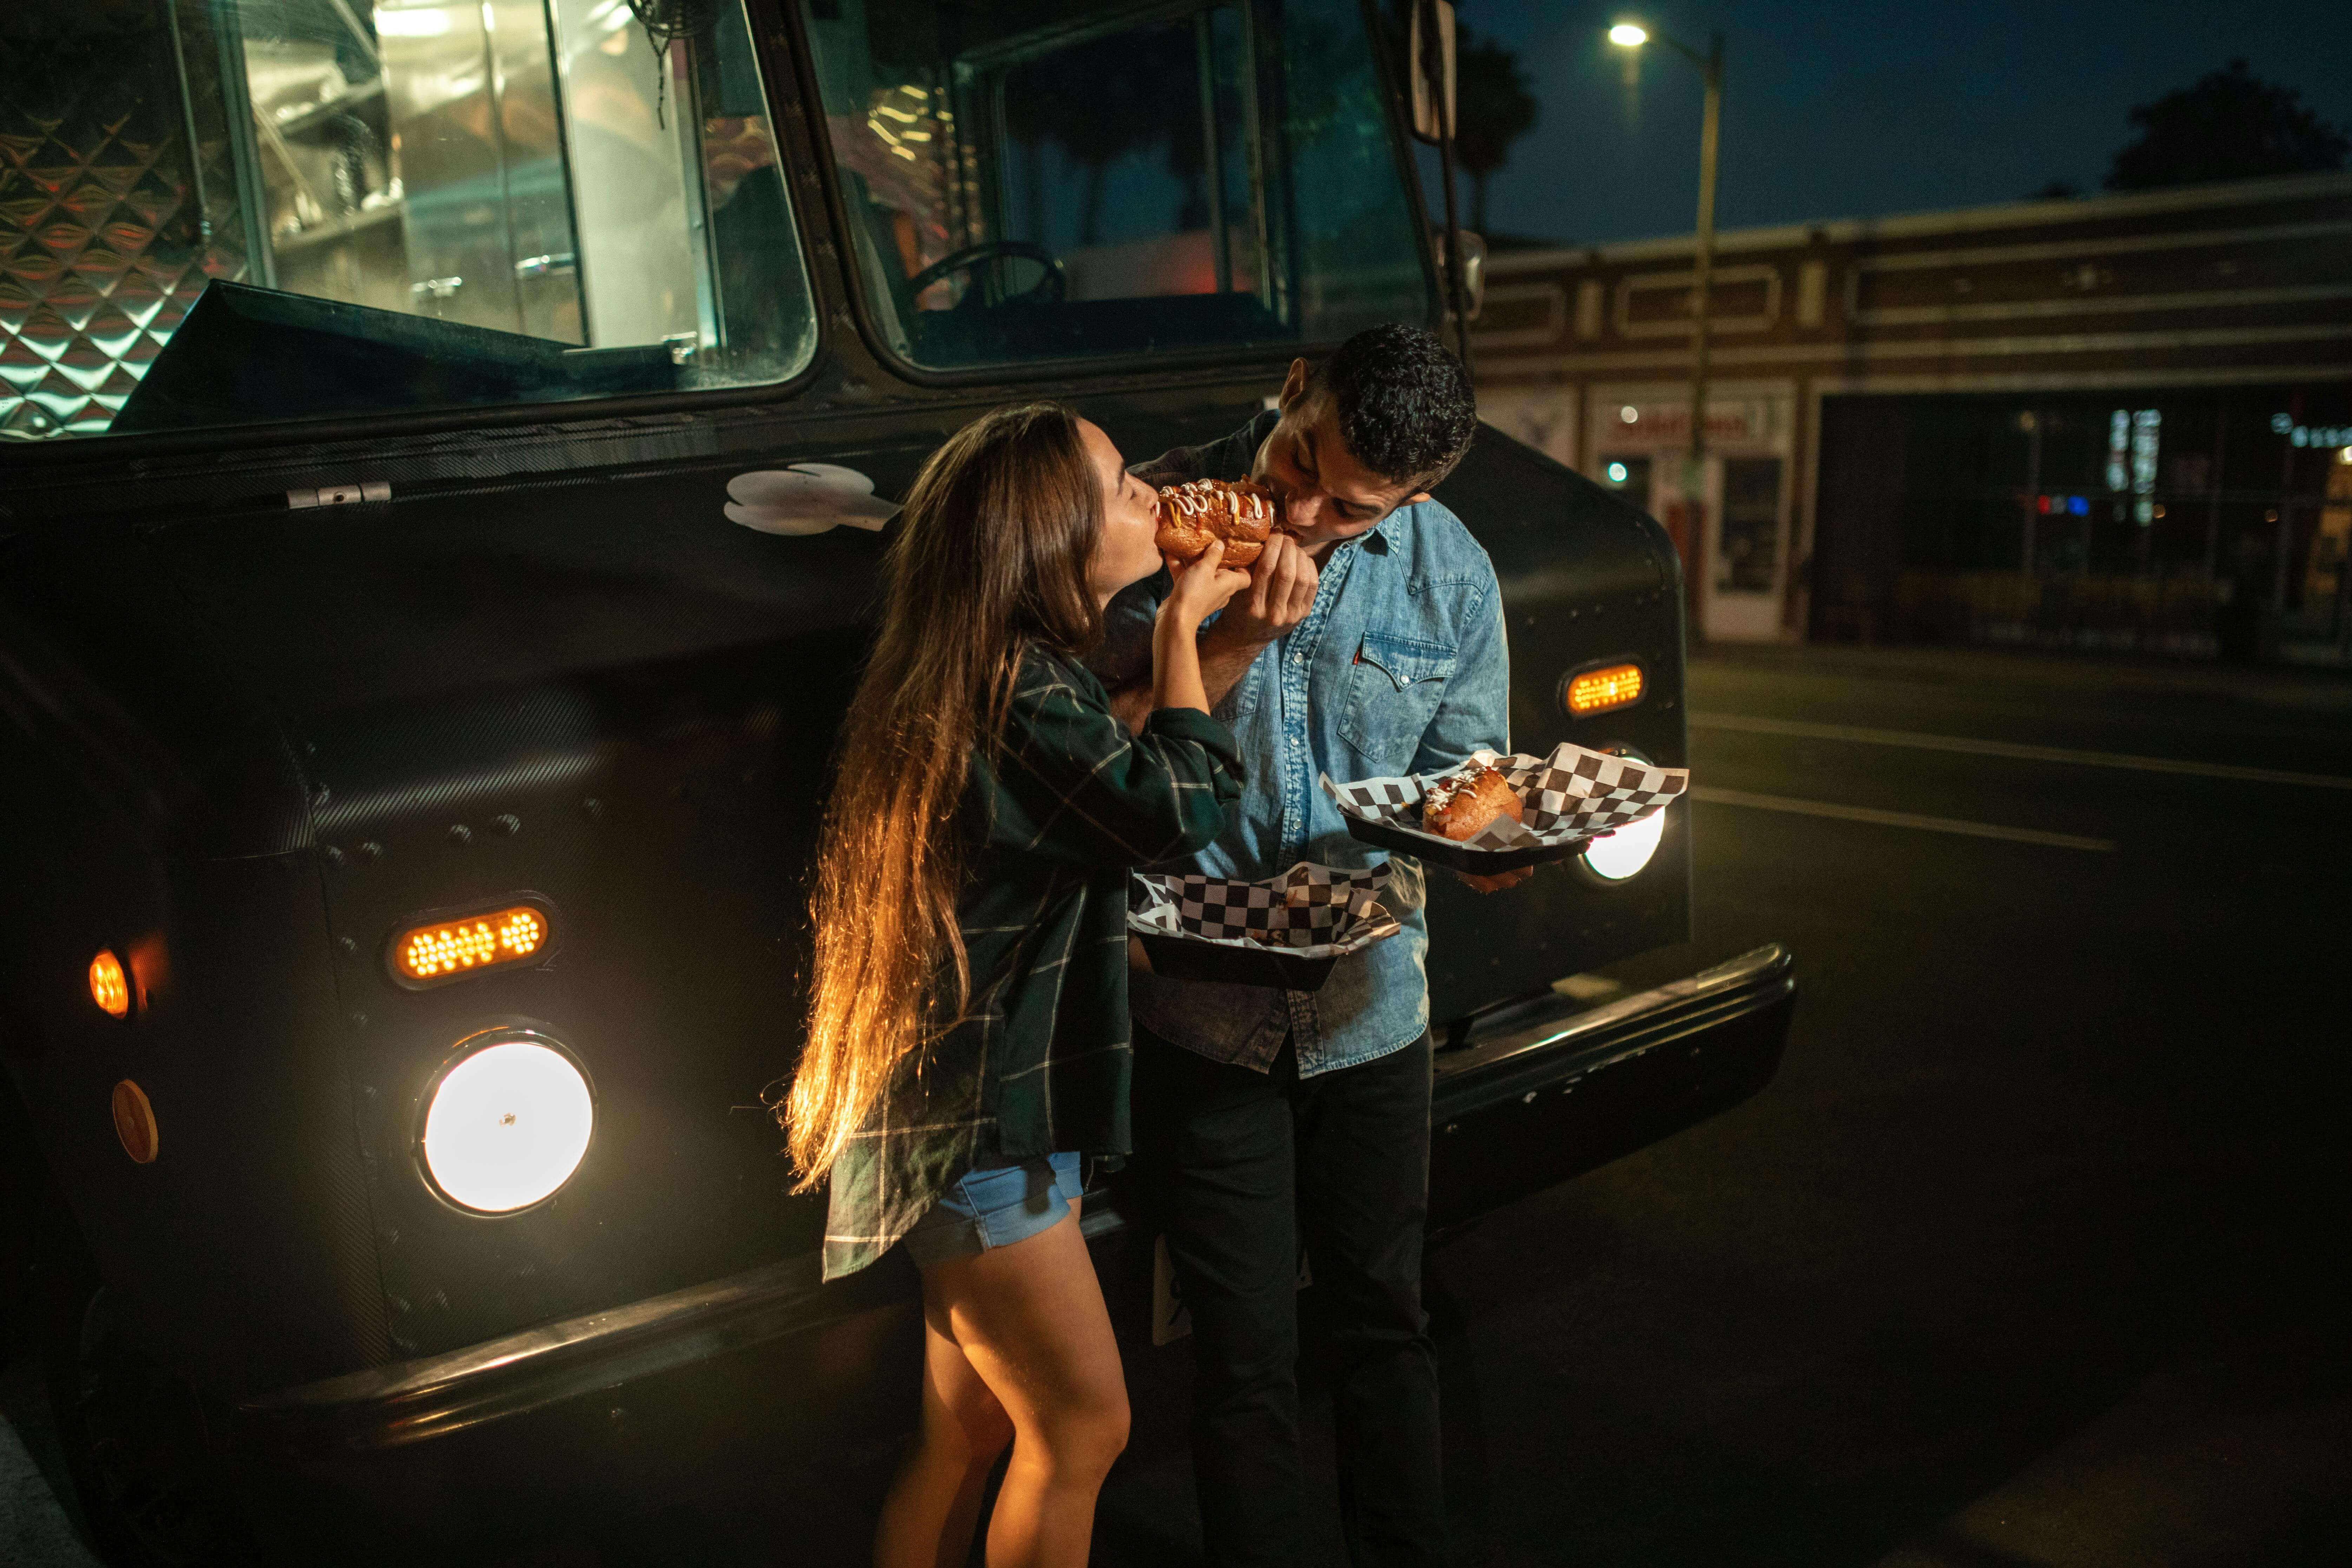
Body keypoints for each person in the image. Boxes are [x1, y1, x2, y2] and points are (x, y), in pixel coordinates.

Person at [781, 402, 1250, 1568]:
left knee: (973, 1426)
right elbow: (1170, 808)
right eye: (1121, 486)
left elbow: (1115, 779)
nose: (1153, 494)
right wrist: (1190, 623)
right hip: (980, 1127)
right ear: (1052, 539)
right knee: (1083, 1426)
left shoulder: (1003, 668)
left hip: (963, 1114)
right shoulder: (1010, 684)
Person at [1096, 324, 1512, 1568]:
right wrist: (1227, 642)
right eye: (1299, 464)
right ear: (1290, 389)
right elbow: (1089, 764)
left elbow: (1468, 781)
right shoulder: (1147, 518)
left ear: (1417, 496)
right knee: (1242, 1355)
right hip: (1201, 1007)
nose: (1306, 511)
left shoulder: (1453, 577)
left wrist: (1489, 841)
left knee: (1385, 1320)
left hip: (1372, 1000)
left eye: (1353, 505)